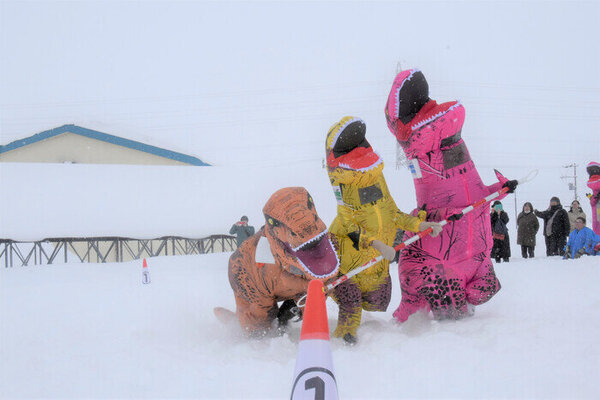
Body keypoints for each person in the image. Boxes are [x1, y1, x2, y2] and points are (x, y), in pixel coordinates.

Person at [325, 116, 442, 344]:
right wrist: (375, 243)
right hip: (350, 261)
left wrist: (420, 225)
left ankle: (369, 343)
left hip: (376, 264)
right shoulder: (342, 183)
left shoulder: (377, 179)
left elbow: (393, 214)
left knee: (376, 301)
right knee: (351, 302)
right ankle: (344, 344)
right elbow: (347, 222)